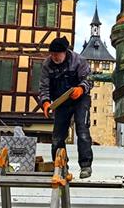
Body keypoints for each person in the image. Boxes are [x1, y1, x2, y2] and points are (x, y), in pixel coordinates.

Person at [39, 36, 94, 178]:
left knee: (82, 131)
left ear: (65, 52)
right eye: (52, 54)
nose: (54, 57)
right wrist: (45, 102)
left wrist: (81, 89)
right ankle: (61, 166)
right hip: (61, 101)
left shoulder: (79, 61)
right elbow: (43, 87)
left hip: (80, 100)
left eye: (57, 55)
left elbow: (89, 79)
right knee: (57, 137)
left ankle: (86, 166)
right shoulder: (47, 65)